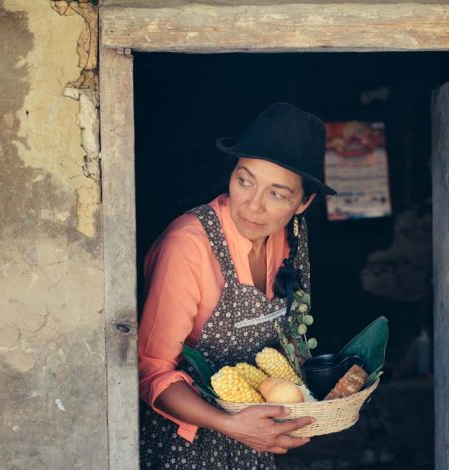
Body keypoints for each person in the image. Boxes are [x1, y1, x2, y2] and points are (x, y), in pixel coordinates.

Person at [138, 103, 337, 469]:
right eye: (245, 180)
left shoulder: (293, 235)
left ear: (304, 202)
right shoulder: (188, 246)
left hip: (255, 439)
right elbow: (151, 371)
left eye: (277, 194)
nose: (252, 206)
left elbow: (290, 331)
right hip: (187, 443)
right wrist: (230, 424)